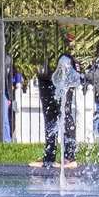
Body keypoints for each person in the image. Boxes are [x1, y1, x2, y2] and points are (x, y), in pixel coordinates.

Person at [38, 38, 82, 169]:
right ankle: (49, 156)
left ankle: (70, 156)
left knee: (65, 112)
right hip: (45, 73)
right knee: (49, 114)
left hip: (63, 69)